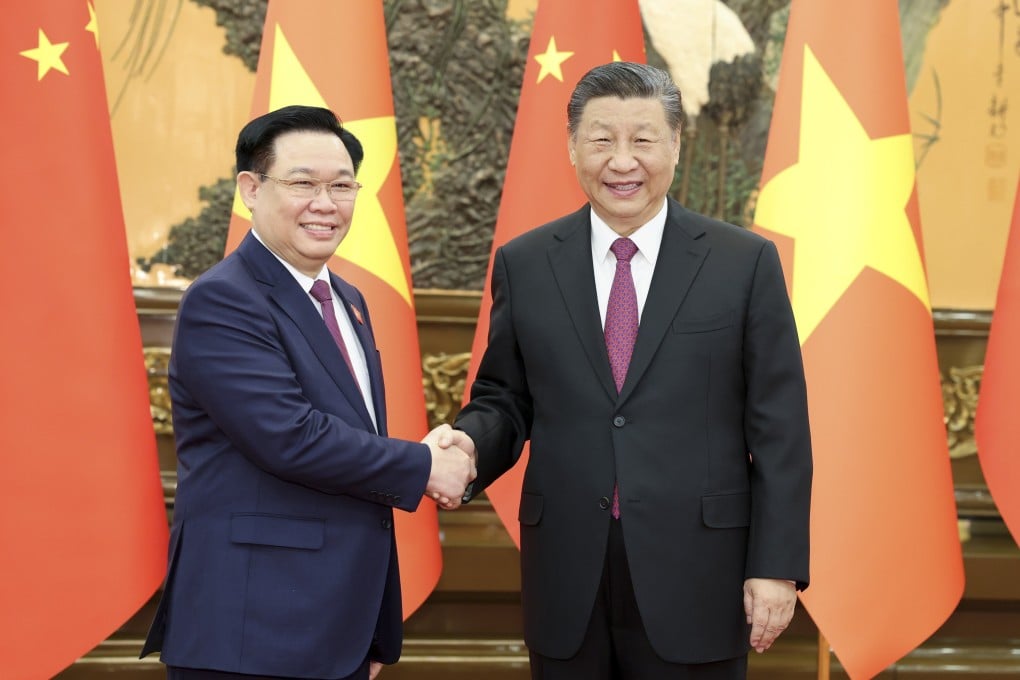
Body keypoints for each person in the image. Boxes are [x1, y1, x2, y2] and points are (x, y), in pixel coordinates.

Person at [449, 62, 812, 679]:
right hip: (567, 571)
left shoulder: (743, 263)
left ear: (675, 144)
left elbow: (779, 427)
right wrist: (467, 449)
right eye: (601, 140)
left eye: (643, 140)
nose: (622, 161)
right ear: (571, 148)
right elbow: (505, 397)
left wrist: (775, 565)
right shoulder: (527, 263)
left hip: (700, 570)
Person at [141, 105, 475, 680]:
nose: (326, 203)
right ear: (250, 188)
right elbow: (289, 437)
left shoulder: (348, 300)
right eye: (302, 183)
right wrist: (425, 465)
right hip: (252, 632)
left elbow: (350, 438)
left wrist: (365, 629)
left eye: (342, 186)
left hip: (336, 626)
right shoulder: (223, 299)